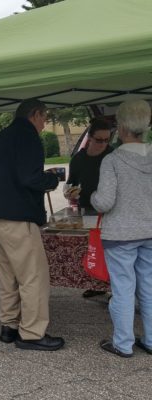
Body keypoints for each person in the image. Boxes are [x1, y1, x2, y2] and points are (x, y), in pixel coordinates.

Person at [0, 98, 64, 351]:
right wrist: (50, 180)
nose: (44, 123)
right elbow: (30, 177)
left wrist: (4, 187)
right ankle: (32, 333)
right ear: (34, 114)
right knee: (33, 276)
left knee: (9, 275)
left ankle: (9, 326)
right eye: (44, 117)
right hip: (18, 218)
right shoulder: (29, 137)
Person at [90, 99, 152, 358]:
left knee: (123, 289)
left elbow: (104, 201)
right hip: (150, 232)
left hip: (121, 234)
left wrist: (92, 196)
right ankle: (149, 340)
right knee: (149, 287)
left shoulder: (112, 160)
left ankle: (123, 344)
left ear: (122, 126)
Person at [65, 118, 114, 298]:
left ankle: (112, 284)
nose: (103, 144)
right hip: (87, 208)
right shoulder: (78, 159)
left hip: (110, 210)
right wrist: (69, 192)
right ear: (90, 138)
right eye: (99, 140)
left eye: (107, 140)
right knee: (92, 249)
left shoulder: (112, 155)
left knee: (109, 249)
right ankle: (96, 284)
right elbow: (71, 182)